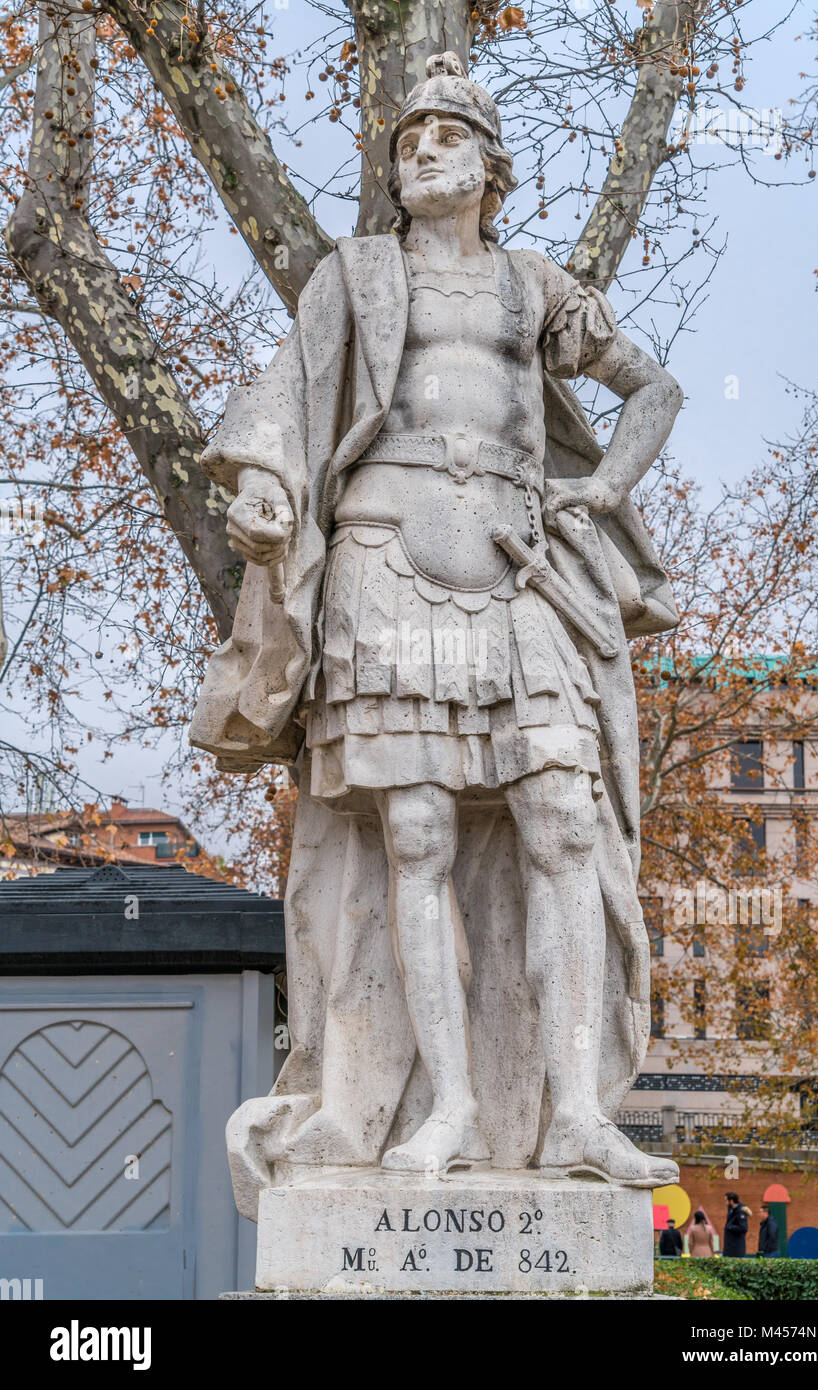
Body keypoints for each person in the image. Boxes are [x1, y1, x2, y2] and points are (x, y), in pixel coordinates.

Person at [194, 53, 683, 1198]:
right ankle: (452, 1106)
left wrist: (602, 491)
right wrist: (266, 479)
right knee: (413, 835)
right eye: (408, 142)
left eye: (447, 138)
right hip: (383, 565)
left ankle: (572, 1113)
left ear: (489, 167)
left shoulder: (532, 287)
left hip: (520, 577)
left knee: (562, 817)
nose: (423, 153)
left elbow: (654, 390)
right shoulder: (354, 275)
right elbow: (284, 390)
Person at [723, 1191, 749, 1257]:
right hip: (729, 1248)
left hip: (736, 1249)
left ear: (731, 1201)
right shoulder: (731, 1210)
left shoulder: (740, 1212)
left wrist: (730, 1227)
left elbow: (744, 1228)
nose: (725, 1203)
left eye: (726, 1200)